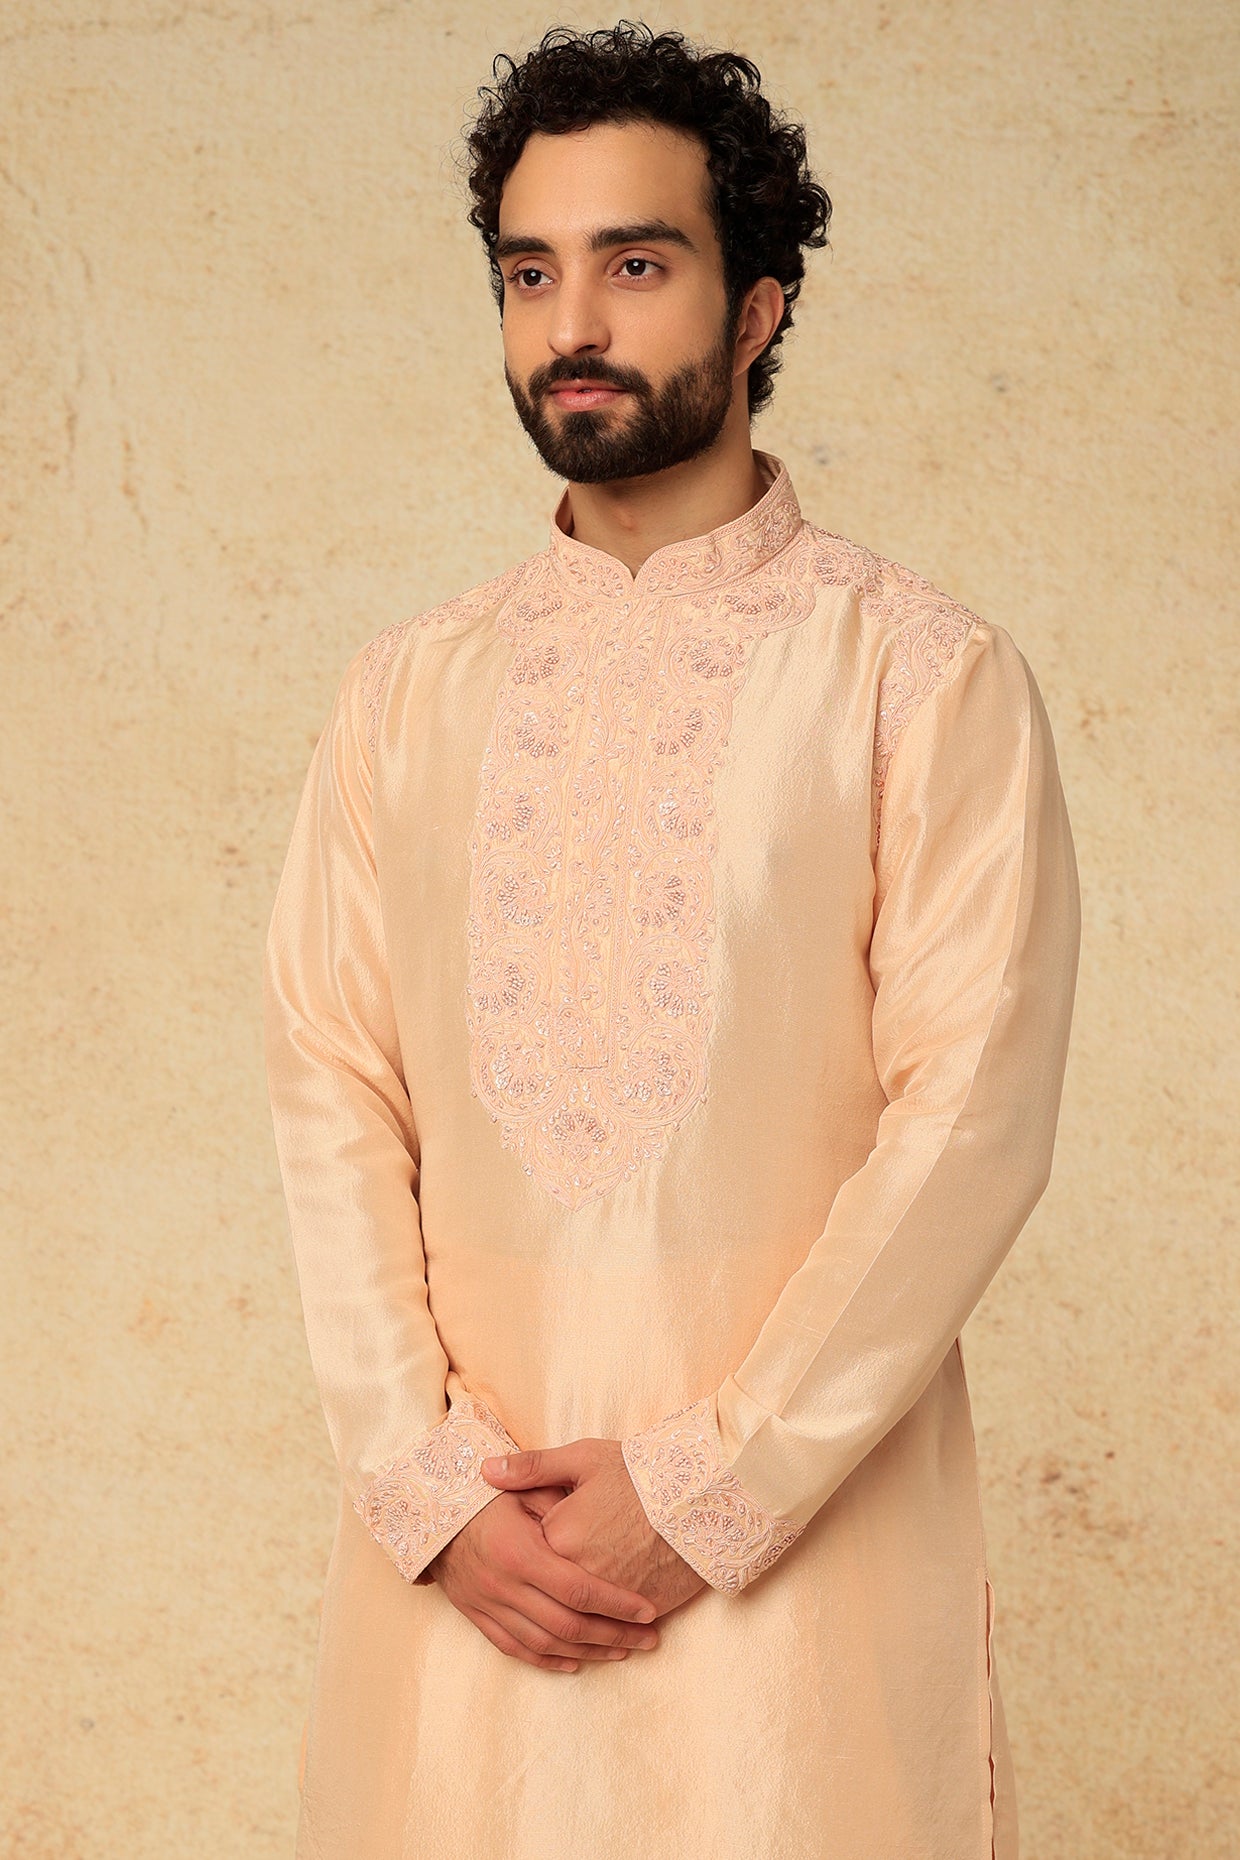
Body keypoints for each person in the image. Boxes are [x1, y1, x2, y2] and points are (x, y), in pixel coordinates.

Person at [262, 22, 1080, 1860]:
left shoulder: (919, 679)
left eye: (636, 265)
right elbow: (330, 1091)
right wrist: (429, 1490)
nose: (573, 323)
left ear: (761, 303)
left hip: (798, 1588)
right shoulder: (402, 698)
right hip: (466, 1570)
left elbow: (972, 1120)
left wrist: (713, 1486)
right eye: (529, 272)